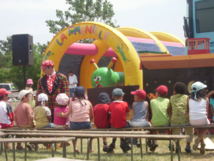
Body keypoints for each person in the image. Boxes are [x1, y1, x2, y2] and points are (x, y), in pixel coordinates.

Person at [59, 86, 93, 153]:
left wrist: (61, 114)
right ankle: (90, 148)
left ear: (75, 94)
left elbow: (67, 114)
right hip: (86, 124)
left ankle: (75, 148)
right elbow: (91, 116)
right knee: (91, 133)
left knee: (73, 133)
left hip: (74, 124)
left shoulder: (72, 102)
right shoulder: (88, 102)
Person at [168, 82, 192, 153]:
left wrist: (170, 117)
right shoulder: (187, 97)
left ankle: (177, 144)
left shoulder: (171, 97)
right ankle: (188, 145)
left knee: (175, 130)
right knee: (190, 130)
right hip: (185, 120)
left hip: (174, 120)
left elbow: (169, 109)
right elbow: (188, 108)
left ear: (175, 90)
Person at [189, 81, 210, 154]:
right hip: (202, 120)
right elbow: (206, 112)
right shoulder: (206, 99)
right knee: (206, 124)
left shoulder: (189, 99)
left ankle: (202, 145)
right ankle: (198, 138)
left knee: (198, 127)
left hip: (192, 121)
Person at [108, 88, 130, 153]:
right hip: (122, 125)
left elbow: (110, 113)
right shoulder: (125, 104)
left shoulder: (111, 104)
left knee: (115, 127)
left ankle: (113, 143)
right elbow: (128, 114)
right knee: (127, 125)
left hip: (113, 125)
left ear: (113, 97)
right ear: (121, 96)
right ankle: (124, 143)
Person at [149, 85, 170, 151]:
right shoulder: (168, 101)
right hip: (166, 122)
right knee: (170, 128)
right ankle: (171, 143)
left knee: (152, 128)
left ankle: (154, 142)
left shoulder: (152, 101)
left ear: (157, 93)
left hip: (155, 123)